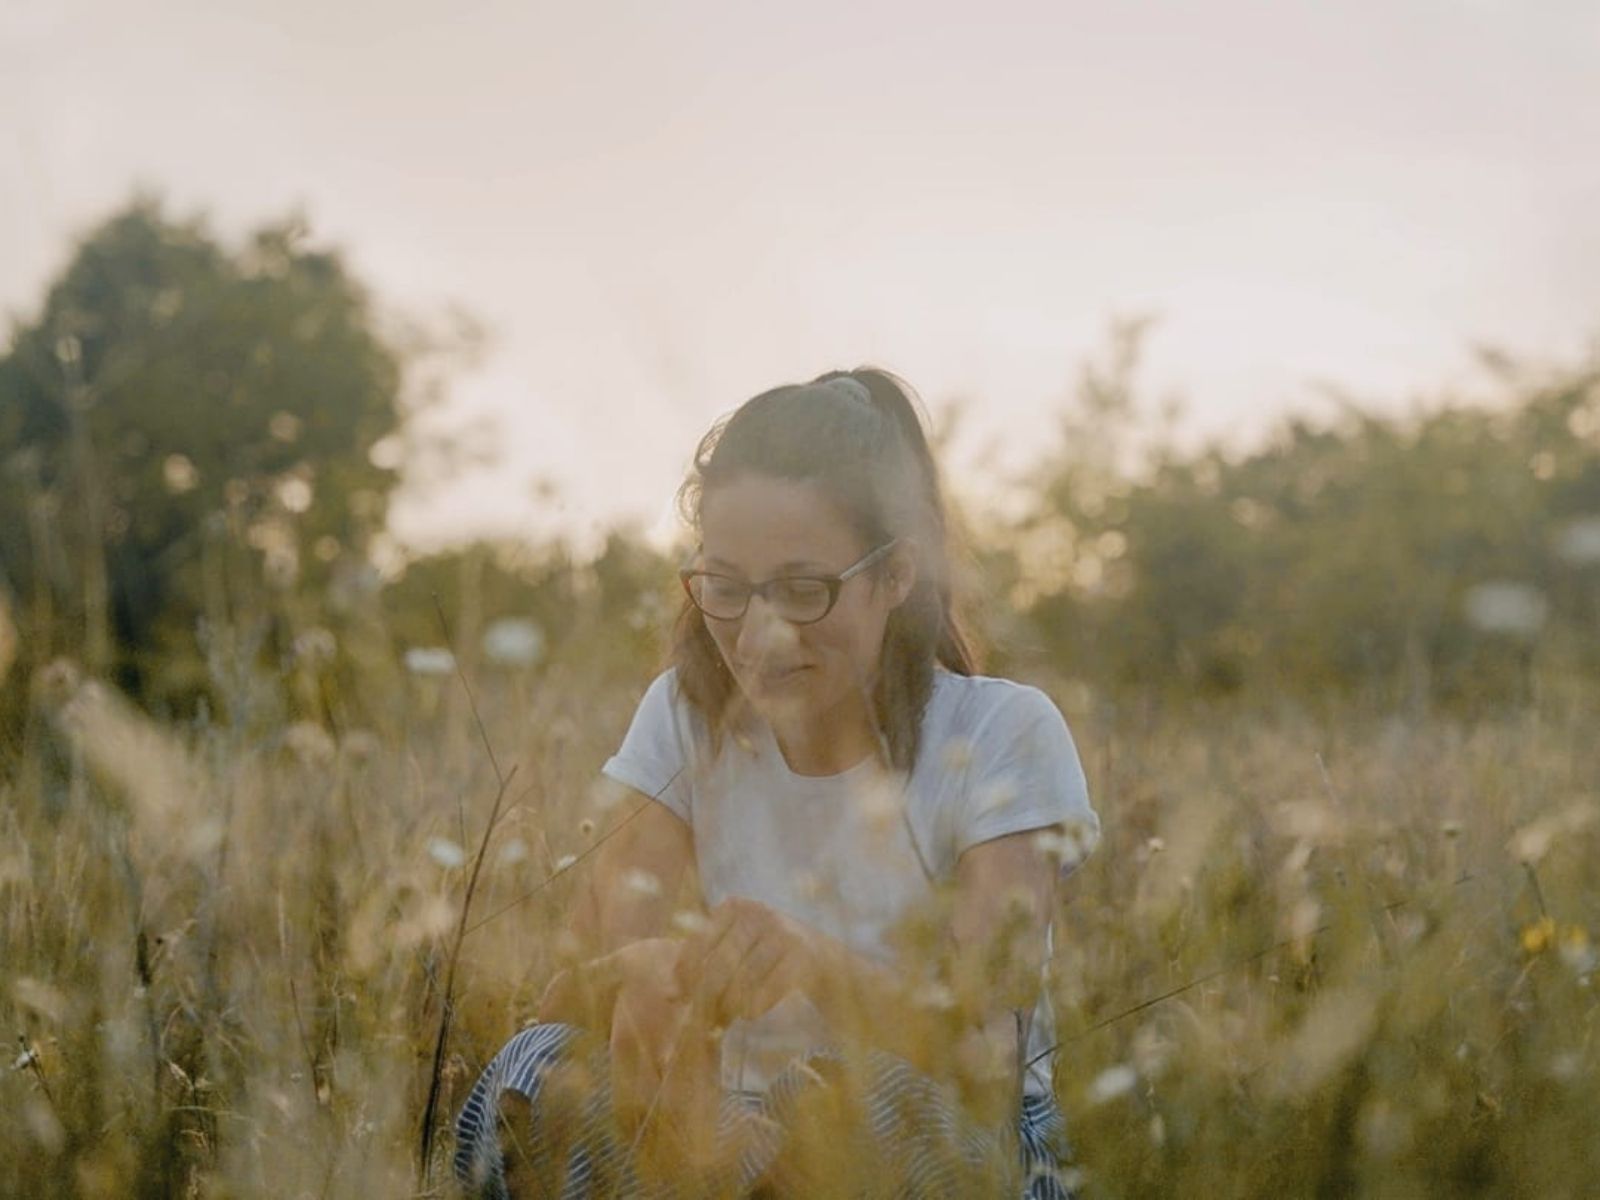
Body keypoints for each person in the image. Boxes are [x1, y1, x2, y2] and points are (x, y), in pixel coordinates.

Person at [454, 368, 1100, 1199]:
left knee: (855, 1104)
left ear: (896, 575)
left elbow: (984, 1051)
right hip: (715, 1116)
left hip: (937, 1136)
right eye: (725, 588)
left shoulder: (1003, 732)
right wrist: (644, 981)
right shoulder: (684, 718)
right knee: (534, 1066)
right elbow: (563, 999)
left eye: (803, 590)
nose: (760, 633)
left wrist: (818, 970)